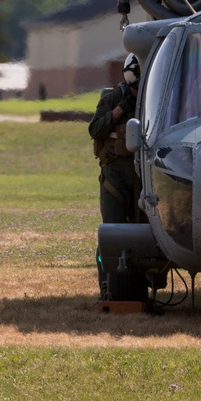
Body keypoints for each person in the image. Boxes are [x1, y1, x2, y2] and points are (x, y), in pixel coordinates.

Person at [88, 53, 142, 300]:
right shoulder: (112, 99)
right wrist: (118, 112)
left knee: (142, 233)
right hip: (114, 177)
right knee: (109, 234)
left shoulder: (151, 100)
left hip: (141, 178)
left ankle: (139, 286)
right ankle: (106, 288)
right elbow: (95, 129)